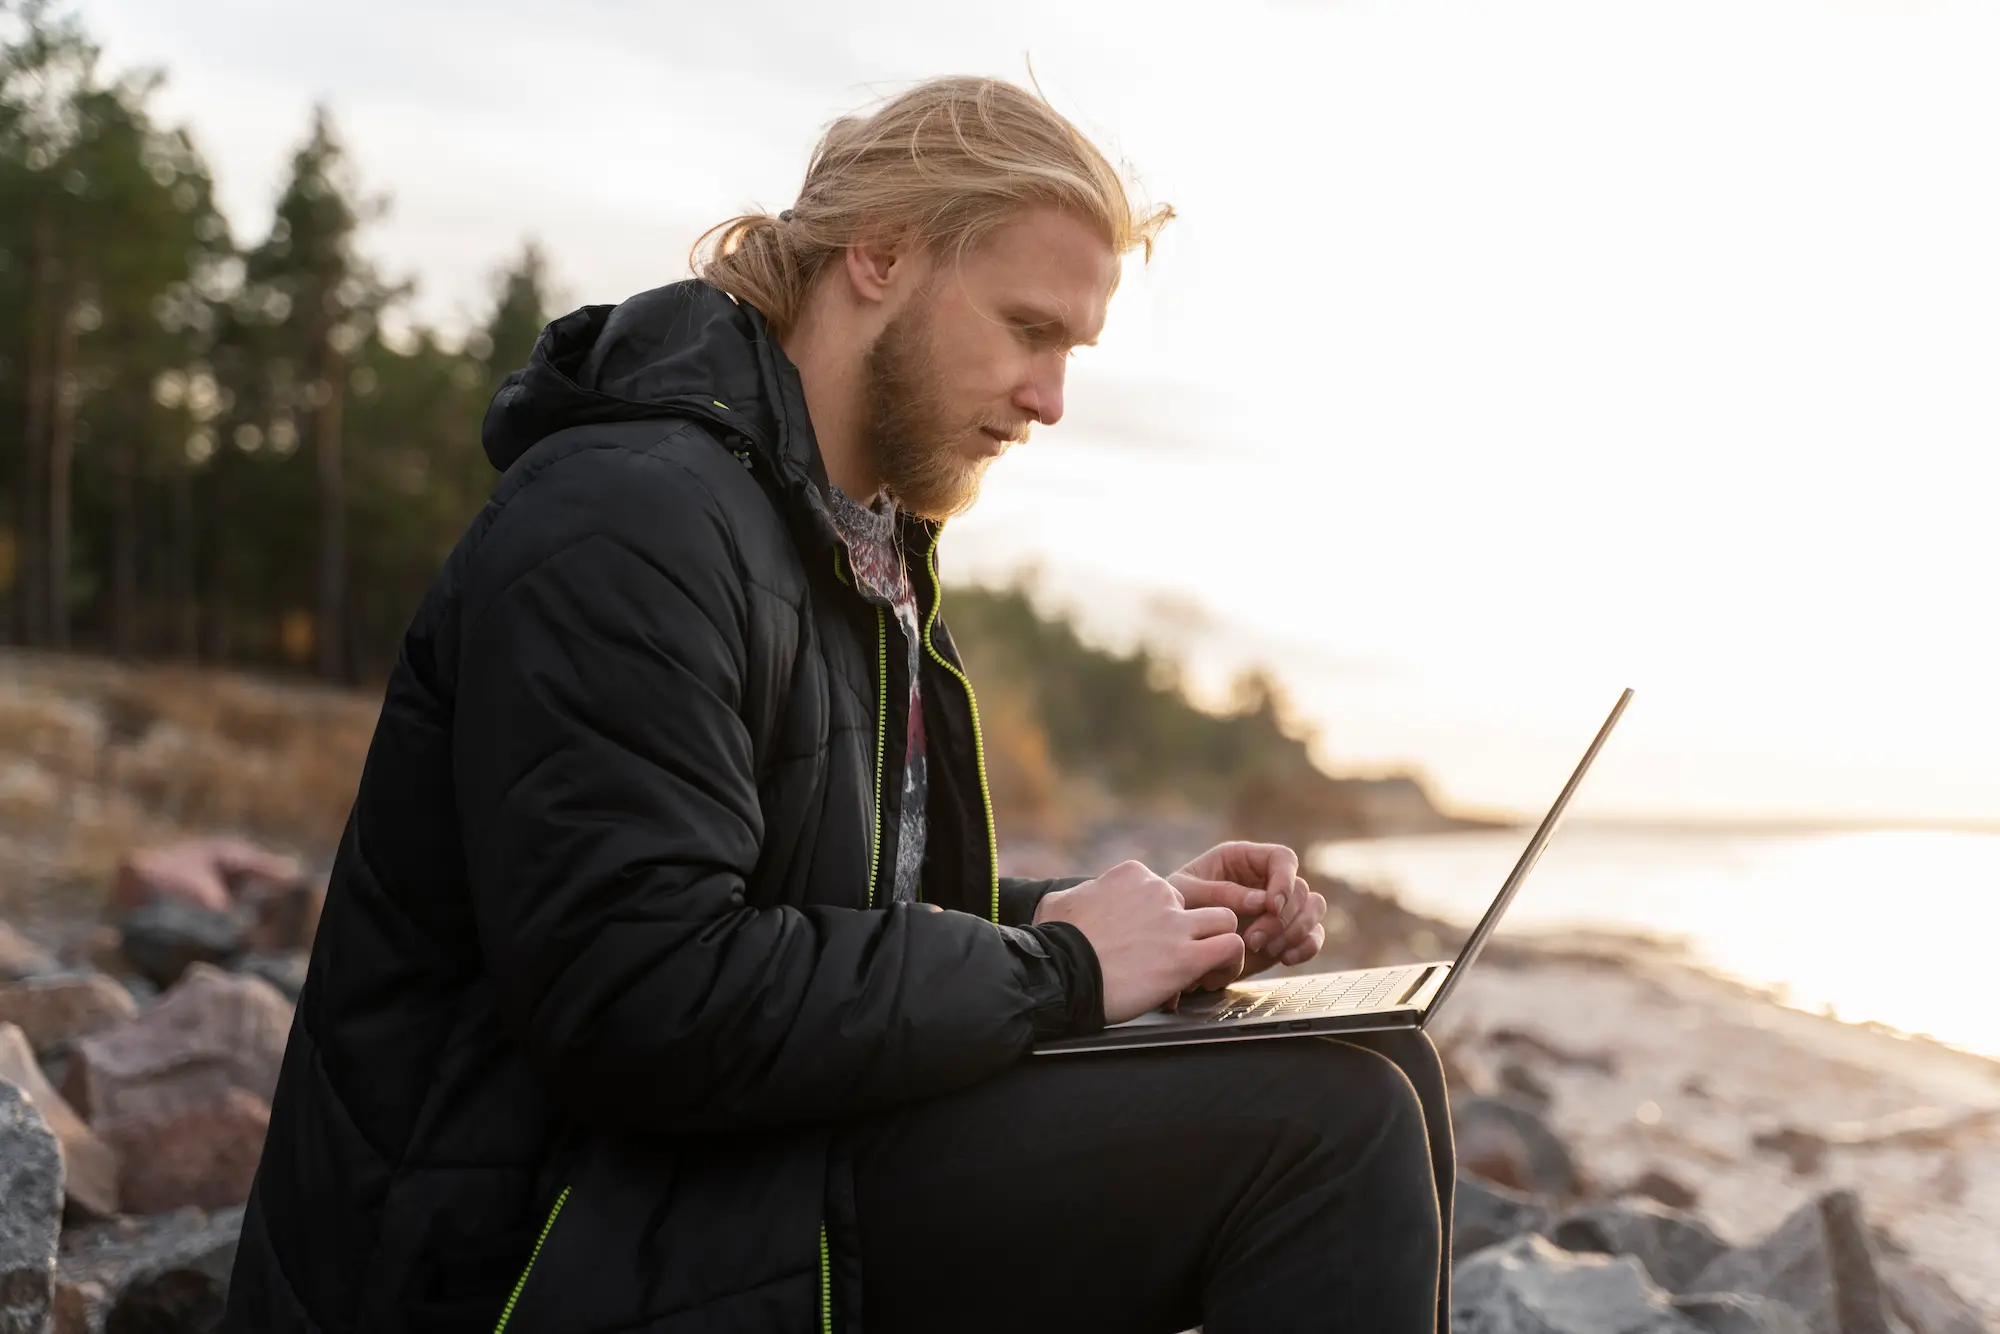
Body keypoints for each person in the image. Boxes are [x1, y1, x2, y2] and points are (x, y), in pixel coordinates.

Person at [221, 76, 1454, 1334]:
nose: (1049, 398)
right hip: (537, 1245)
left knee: (1376, 1061)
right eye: (1029, 329)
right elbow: (642, 993)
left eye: (1070, 351)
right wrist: (1060, 969)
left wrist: (1113, 923)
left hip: (722, 1166)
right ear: (879, 254)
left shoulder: (856, 539)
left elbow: (827, 909)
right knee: (1331, 1127)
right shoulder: (627, 519)